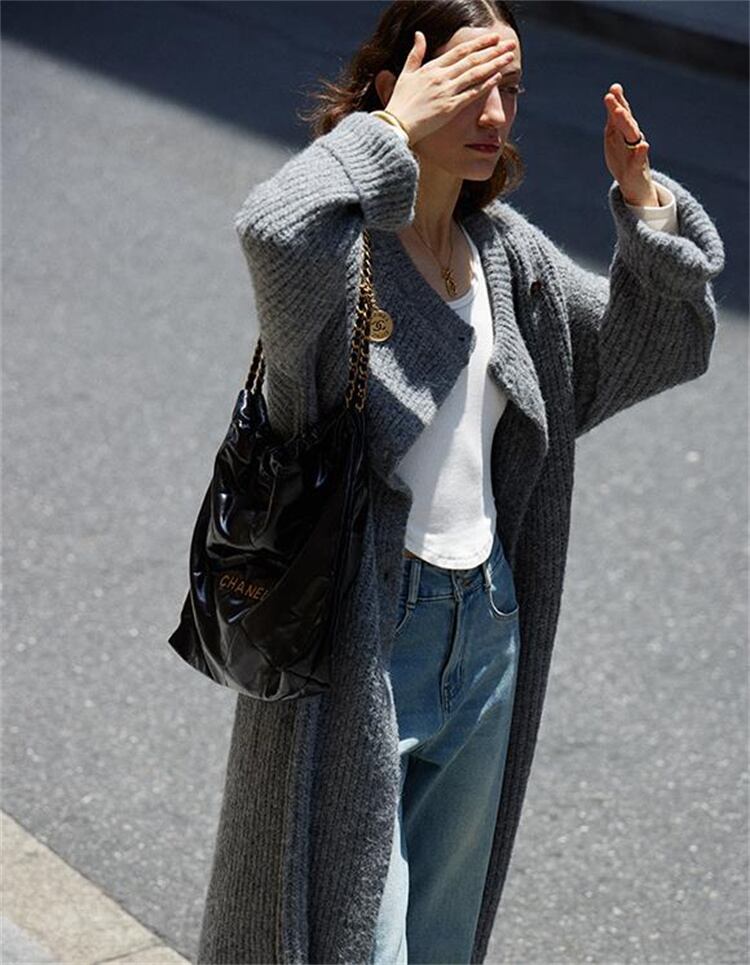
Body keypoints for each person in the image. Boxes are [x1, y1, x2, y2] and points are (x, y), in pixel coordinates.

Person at [195, 2, 724, 963]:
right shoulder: (343, 255)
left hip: (486, 630)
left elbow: (654, 346)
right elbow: (271, 227)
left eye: (509, 89)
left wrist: (645, 206)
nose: (493, 114)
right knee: (356, 938)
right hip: (364, 632)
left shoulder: (506, 257)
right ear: (402, 79)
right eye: (468, 84)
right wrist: (389, 131)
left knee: (440, 943)